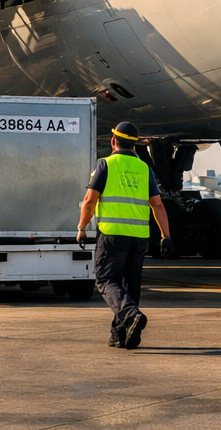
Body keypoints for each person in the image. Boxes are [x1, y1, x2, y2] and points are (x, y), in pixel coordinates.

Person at [77, 121, 174, 350]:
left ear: (113, 141)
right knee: (131, 285)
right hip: (139, 237)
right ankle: (122, 334)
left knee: (106, 280)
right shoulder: (145, 169)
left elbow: (90, 200)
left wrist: (81, 228)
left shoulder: (105, 165)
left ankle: (131, 315)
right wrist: (166, 236)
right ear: (135, 145)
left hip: (112, 235)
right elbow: (158, 205)